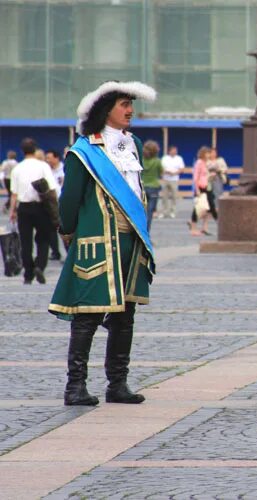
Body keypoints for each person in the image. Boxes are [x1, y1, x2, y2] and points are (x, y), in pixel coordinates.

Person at [49, 81, 157, 406]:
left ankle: (117, 384)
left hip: (130, 242)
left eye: (130, 104)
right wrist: (67, 229)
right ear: (105, 110)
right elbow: (70, 200)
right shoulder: (84, 151)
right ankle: (75, 387)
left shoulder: (133, 144)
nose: (130, 110)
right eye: (124, 104)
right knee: (88, 316)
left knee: (125, 315)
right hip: (97, 243)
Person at [8, 138, 57, 285]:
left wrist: (12, 211)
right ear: (35, 149)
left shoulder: (17, 168)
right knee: (43, 239)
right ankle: (40, 266)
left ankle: (28, 274)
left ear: (22, 151)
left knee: (26, 242)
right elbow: (51, 188)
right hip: (41, 207)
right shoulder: (42, 166)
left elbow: (14, 194)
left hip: (24, 208)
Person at [188, 146, 217, 236]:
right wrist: (197, 189)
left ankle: (204, 227)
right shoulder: (199, 163)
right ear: (203, 154)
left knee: (209, 208)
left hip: (207, 187)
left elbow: (205, 175)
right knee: (199, 208)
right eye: (207, 153)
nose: (209, 155)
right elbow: (196, 177)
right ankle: (193, 228)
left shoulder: (206, 163)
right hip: (200, 187)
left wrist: (211, 175)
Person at [45, 150, 65, 260]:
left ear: (56, 158)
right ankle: (55, 252)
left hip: (62, 203)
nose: (47, 160)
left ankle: (69, 252)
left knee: (64, 228)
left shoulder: (64, 169)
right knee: (51, 229)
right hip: (51, 204)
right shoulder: (47, 170)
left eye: (49, 158)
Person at [141, 140, 163, 232]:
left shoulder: (141, 160)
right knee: (150, 212)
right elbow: (160, 173)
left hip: (142, 187)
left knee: (142, 211)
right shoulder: (157, 161)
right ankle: (147, 232)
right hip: (154, 187)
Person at [160, 145, 184, 218]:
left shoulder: (179, 158)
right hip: (165, 179)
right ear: (169, 151)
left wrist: (175, 173)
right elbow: (161, 168)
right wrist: (166, 172)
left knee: (174, 196)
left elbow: (182, 169)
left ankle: (172, 211)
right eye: (173, 150)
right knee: (164, 196)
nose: (175, 152)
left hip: (174, 179)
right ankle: (164, 212)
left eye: (175, 150)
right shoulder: (164, 158)